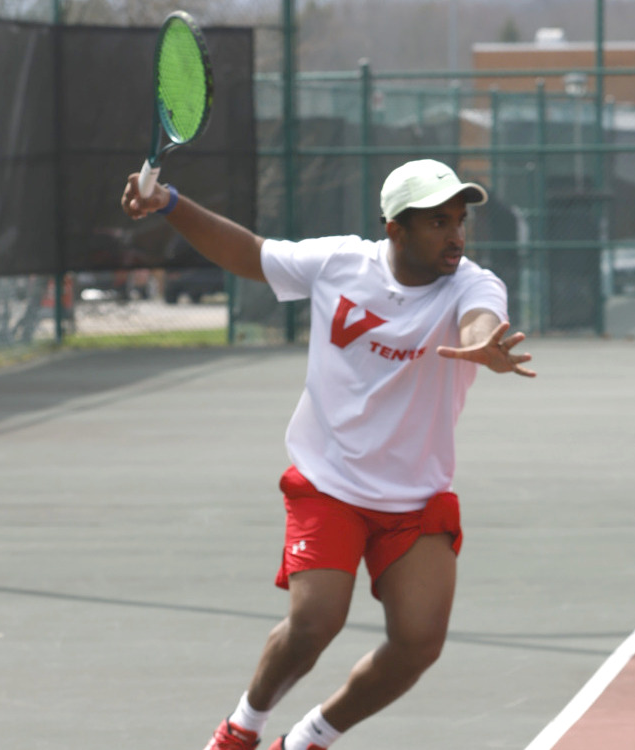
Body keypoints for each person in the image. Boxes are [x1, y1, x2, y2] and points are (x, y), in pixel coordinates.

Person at [121, 158, 535, 750]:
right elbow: (250, 253)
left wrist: (481, 345)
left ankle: (307, 740)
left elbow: (479, 321)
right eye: (438, 222)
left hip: (415, 497)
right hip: (329, 483)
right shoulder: (340, 262)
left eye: (459, 221)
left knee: (419, 643)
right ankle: (241, 729)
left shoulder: (473, 283)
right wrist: (169, 203)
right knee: (315, 622)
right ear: (396, 229)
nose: (456, 235)